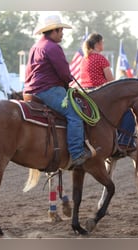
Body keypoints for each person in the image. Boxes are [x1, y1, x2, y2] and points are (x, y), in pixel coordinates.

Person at [23, 14, 93, 168]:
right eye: (61, 30)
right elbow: (63, 73)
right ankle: (76, 153)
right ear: (53, 31)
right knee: (75, 113)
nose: (62, 33)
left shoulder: (36, 47)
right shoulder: (53, 47)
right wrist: (70, 82)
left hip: (30, 90)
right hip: (47, 90)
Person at [80, 33, 136, 152]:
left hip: (85, 95)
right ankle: (125, 142)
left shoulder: (84, 59)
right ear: (98, 44)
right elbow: (111, 81)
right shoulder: (101, 58)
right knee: (128, 113)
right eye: (102, 42)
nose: (103, 45)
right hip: (100, 94)